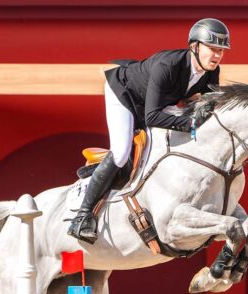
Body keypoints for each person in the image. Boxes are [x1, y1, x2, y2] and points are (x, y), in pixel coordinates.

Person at [68, 18, 230, 243]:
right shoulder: (169, 66)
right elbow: (152, 117)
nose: (217, 55)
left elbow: (206, 104)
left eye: (221, 50)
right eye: (212, 49)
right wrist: (190, 123)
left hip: (158, 102)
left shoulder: (212, 72)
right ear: (194, 47)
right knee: (122, 152)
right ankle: (82, 216)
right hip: (124, 94)